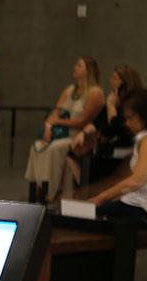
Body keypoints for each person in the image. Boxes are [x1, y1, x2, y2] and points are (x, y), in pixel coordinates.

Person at [24, 56, 104, 203]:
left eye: (79, 66)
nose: (75, 68)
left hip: (80, 136)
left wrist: (58, 121)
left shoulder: (95, 93)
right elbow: (56, 111)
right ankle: (37, 187)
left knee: (54, 148)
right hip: (60, 133)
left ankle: (49, 191)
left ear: (89, 70)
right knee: (37, 146)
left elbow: (83, 121)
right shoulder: (69, 89)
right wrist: (48, 127)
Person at [89, 89, 147, 228]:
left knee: (82, 213)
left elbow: (137, 181)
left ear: (144, 115)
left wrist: (99, 198)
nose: (127, 123)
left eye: (130, 118)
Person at [65, 65, 142, 184]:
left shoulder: (133, 103)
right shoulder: (112, 99)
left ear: (124, 83)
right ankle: (84, 188)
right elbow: (97, 122)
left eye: (115, 78)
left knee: (89, 161)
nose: (111, 80)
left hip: (124, 149)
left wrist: (111, 106)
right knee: (73, 152)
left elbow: (114, 128)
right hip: (109, 147)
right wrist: (83, 133)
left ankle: (89, 189)